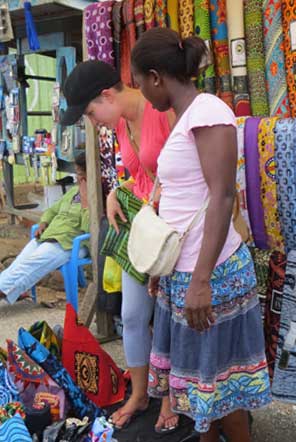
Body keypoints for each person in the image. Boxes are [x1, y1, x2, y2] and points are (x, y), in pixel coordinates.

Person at [131, 28, 272, 442]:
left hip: (213, 275)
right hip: (188, 272)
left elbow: (223, 195)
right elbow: (184, 197)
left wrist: (201, 280)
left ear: (156, 76)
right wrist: (169, 269)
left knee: (223, 394)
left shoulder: (207, 110)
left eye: (140, 82)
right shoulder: (184, 118)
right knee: (202, 395)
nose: (142, 93)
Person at [61, 60, 178, 433]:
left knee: (167, 317)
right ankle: (141, 393)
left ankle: (170, 398)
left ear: (107, 95)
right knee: (132, 315)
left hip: (170, 230)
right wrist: (117, 190)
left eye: (92, 112)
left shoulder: (163, 111)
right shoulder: (123, 125)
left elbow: (181, 169)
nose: (93, 122)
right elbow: (140, 175)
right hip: (142, 229)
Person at [0, 152, 89, 304]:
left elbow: (89, 229)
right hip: (49, 236)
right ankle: (12, 290)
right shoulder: (74, 192)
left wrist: (86, 201)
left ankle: (4, 290)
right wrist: (44, 223)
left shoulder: (99, 196)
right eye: (77, 174)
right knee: (21, 260)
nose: (78, 178)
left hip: (70, 243)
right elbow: (52, 210)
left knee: (32, 262)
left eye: (81, 174)